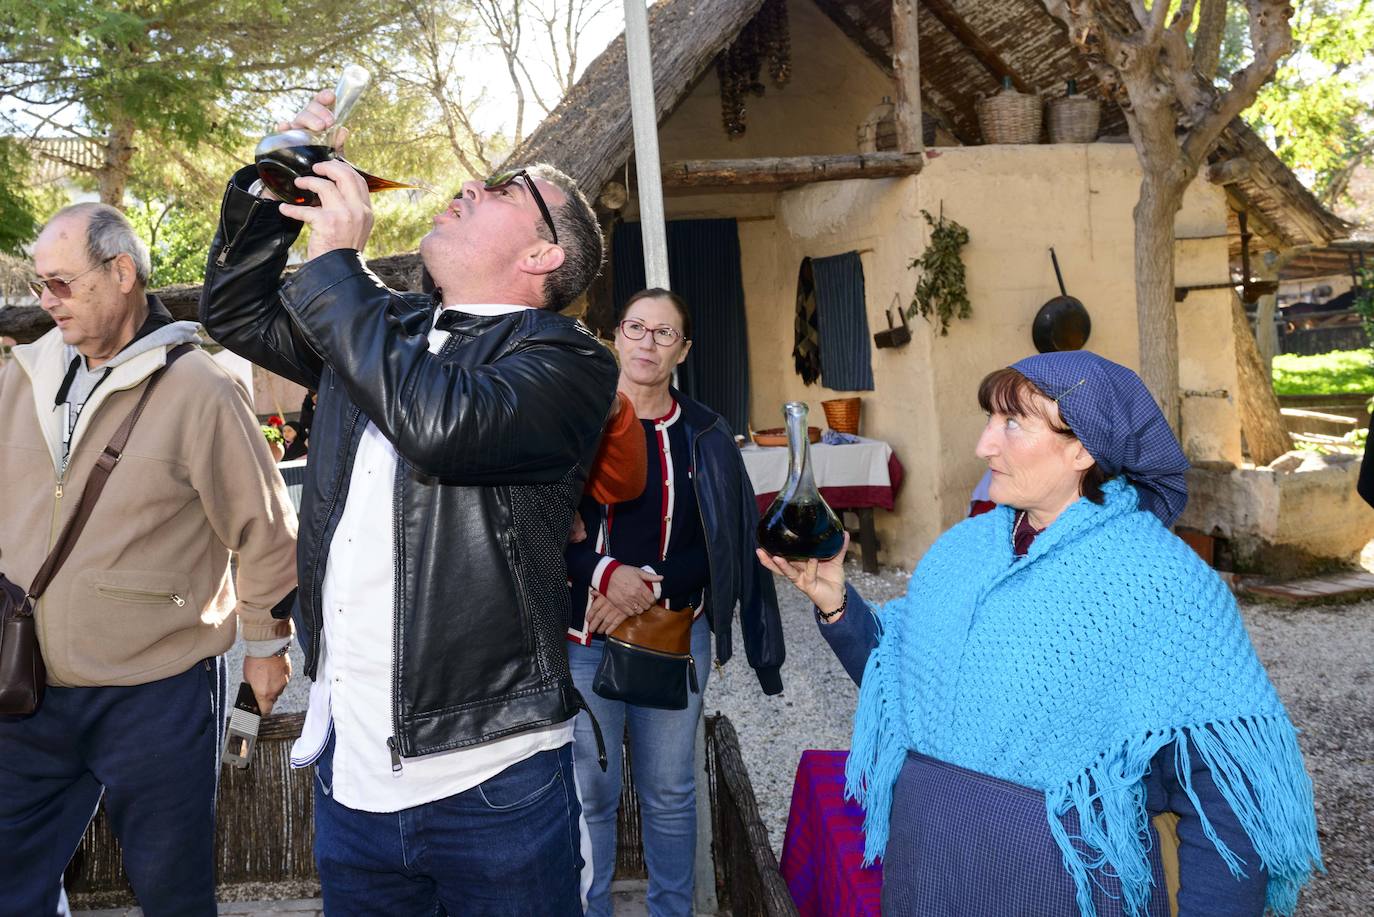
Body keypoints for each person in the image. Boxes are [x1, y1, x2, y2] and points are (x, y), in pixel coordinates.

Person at [200, 88, 619, 915]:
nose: (471, 185)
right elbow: (234, 308)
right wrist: (279, 175)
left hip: (491, 780)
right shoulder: (381, 331)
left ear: (542, 254)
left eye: (504, 188)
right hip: (351, 777)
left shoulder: (568, 363)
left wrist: (337, 266)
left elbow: (440, 424)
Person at [761, 351, 1323, 917]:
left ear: (1084, 449)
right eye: (989, 420)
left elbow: (1229, 803)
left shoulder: (1163, 582)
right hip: (924, 871)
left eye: (1012, 423)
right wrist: (835, 602)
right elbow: (904, 686)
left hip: (1059, 888)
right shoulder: (962, 551)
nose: (984, 445)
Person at [0, 203, 297, 917]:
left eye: (63, 283)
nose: (47, 300)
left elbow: (264, 528)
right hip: (24, 683)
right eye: (41, 284)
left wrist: (265, 647)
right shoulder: (20, 378)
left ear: (122, 273)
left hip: (156, 690)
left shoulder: (202, 389)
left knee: (171, 891)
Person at [566, 288, 785, 916]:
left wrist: (645, 587)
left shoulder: (706, 434)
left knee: (668, 792)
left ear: (683, 350)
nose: (648, 343)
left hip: (673, 632)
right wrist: (605, 573)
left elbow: (726, 543)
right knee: (590, 792)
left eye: (665, 333)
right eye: (636, 327)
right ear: (616, 336)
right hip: (583, 635)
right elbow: (536, 526)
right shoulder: (573, 423)